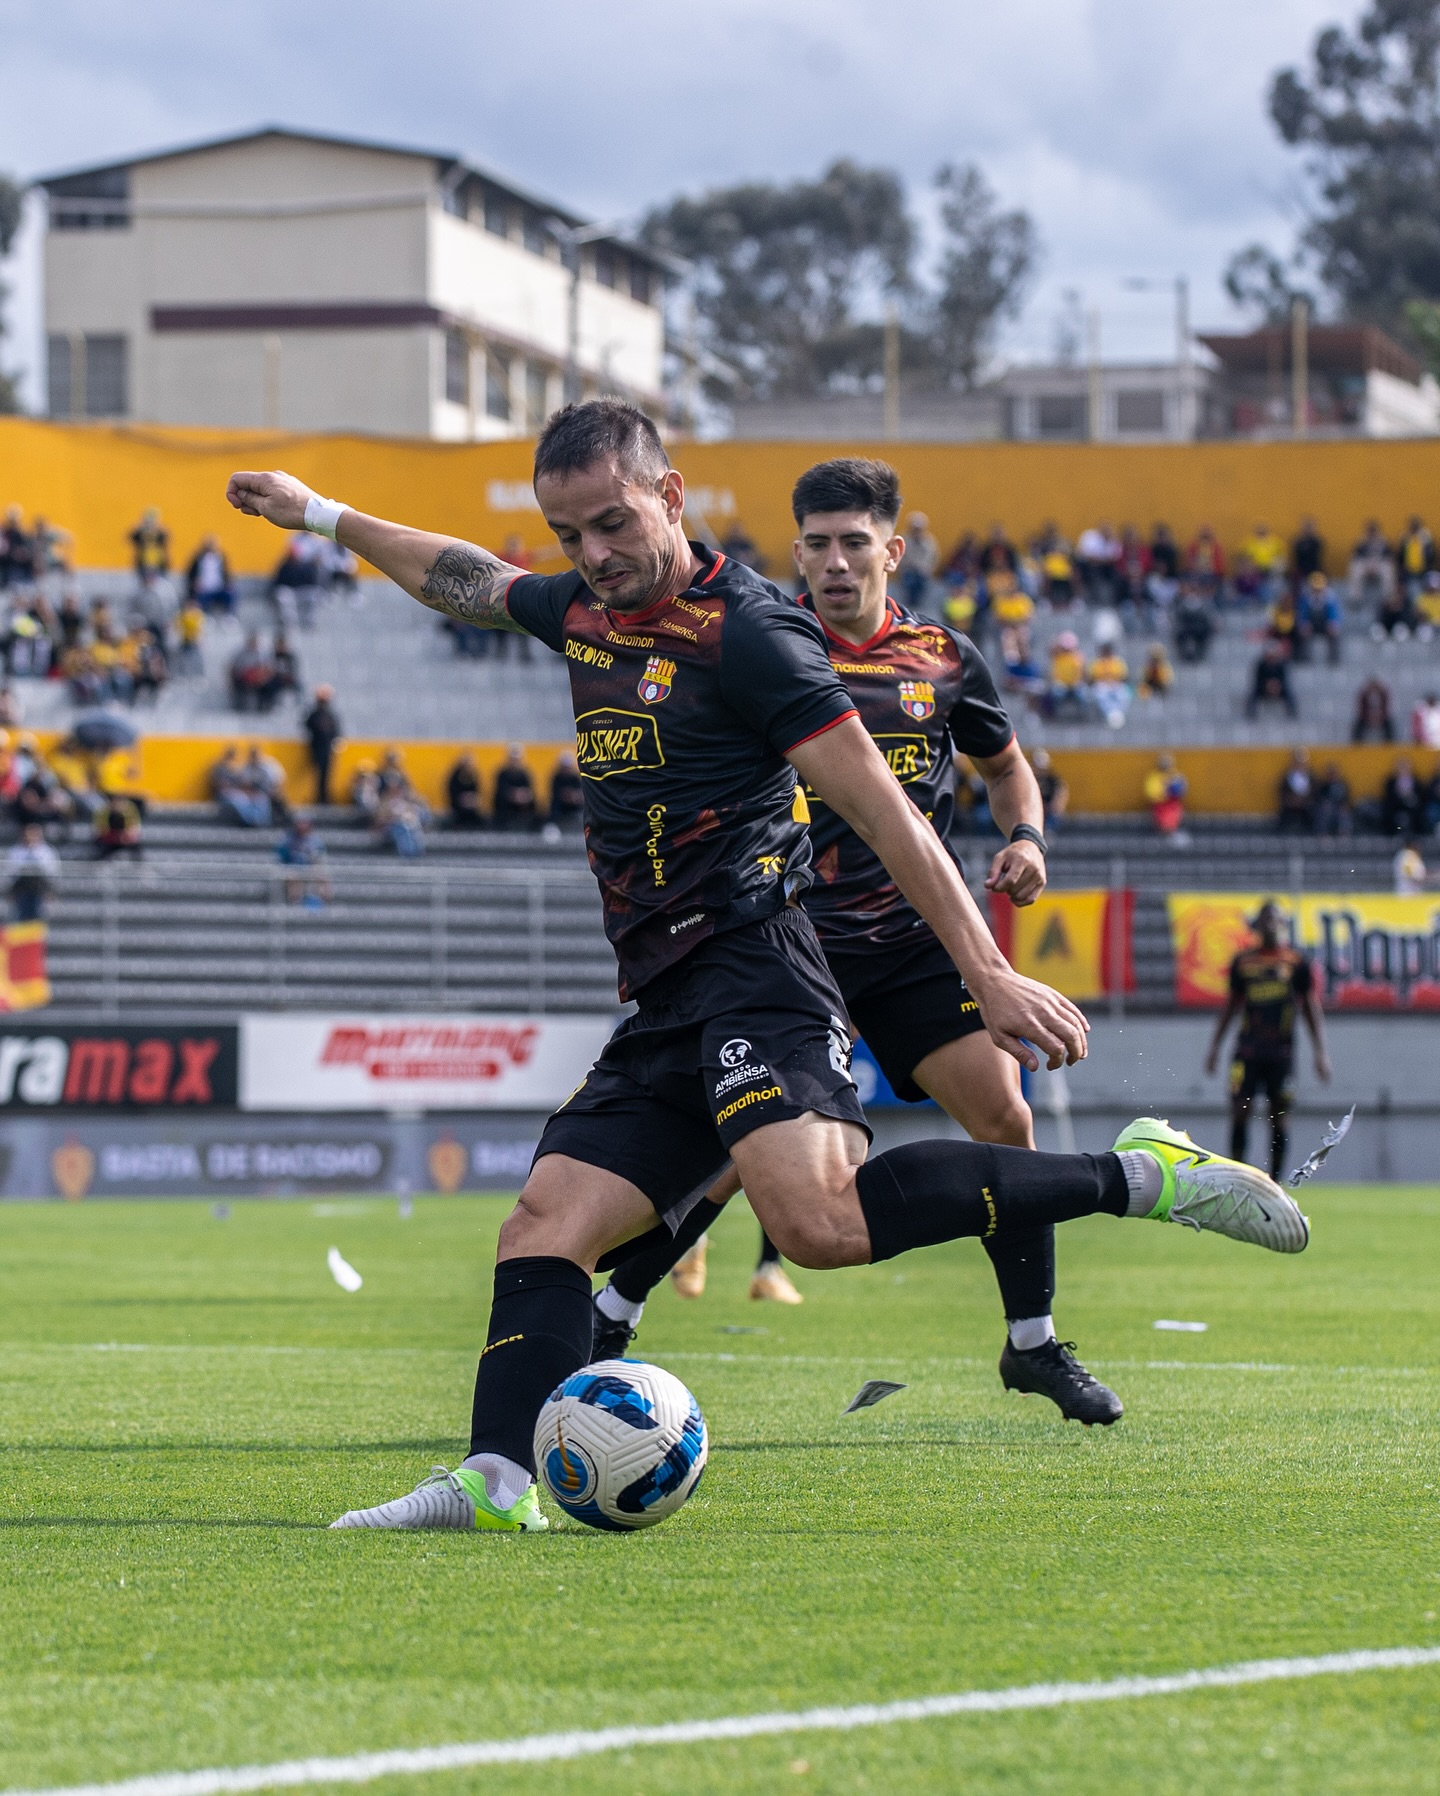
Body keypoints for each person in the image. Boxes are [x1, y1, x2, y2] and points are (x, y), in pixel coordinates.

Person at [226, 398, 1307, 1535]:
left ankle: (1139, 1175)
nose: (592, 554)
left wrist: (984, 966)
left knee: (818, 1225)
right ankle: (497, 1484)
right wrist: (322, 516)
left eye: (611, 521)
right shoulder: (592, 608)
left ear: (672, 495)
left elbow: (887, 808)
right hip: (665, 992)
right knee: (543, 1224)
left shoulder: (749, 631)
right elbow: (472, 581)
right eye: (569, 534)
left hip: (760, 963)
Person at [595, 456, 1122, 1422]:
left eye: (853, 543)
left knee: (1006, 1114)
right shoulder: (762, 644)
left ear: (893, 546)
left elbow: (1009, 770)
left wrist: (1028, 839)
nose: (835, 563)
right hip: (791, 940)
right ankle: (616, 1312)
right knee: (730, 1153)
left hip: (916, 941)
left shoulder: (944, 660)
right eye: (816, 545)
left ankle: (1033, 1346)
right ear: (794, 550)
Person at [1205, 901, 1329, 1182]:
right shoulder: (1244, 962)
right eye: (1266, 920)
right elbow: (1231, 1006)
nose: (1271, 924)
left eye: (1276, 919)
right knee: (1239, 1112)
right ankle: (1236, 1177)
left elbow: (1310, 1006)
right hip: (1246, 1052)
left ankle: (1274, 1182)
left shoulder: (1296, 962)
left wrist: (1320, 1052)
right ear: (1258, 926)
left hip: (1281, 1054)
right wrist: (1214, 1047)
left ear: (1284, 923)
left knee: (1280, 1116)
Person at [6, 823, 59, 921]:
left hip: (39, 888)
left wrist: (50, 890)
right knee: (21, 916)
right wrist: (11, 891)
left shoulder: (46, 851)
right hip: (21, 889)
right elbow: (11, 873)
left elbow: (51, 871)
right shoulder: (16, 851)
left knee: (38, 916)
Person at [276, 813, 331, 906]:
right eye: (300, 823)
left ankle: (325, 904)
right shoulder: (287, 840)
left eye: (305, 823)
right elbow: (281, 859)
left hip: (309, 868)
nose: (302, 826)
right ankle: (295, 904)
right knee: (294, 877)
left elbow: (320, 858)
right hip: (291, 868)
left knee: (323, 876)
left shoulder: (316, 841)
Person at [303, 685, 342, 803]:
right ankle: (319, 797)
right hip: (317, 748)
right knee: (318, 774)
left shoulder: (330, 715)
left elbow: (336, 730)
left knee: (327, 774)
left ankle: (325, 796)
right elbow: (308, 726)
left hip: (328, 748)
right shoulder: (314, 714)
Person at [1144, 752, 1189, 845]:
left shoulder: (1175, 776)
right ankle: (1165, 833)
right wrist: (1164, 792)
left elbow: (1182, 789)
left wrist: (1174, 792)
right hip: (1160, 805)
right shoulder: (1153, 777)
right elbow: (1151, 793)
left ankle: (1172, 833)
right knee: (1162, 813)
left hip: (1172, 803)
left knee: (1175, 810)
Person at [1246, 639, 1297, 719]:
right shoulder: (1260, 665)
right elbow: (1257, 680)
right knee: (1253, 694)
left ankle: (1292, 713)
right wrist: (1267, 685)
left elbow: (1284, 680)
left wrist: (1276, 686)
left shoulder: (1282, 665)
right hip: (1263, 687)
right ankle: (1251, 714)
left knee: (1288, 693)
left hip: (1279, 687)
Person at [491, 744, 538, 831]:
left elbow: (529, 790)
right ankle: (502, 827)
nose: (515, 762)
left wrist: (523, 796)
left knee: (534, 803)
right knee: (500, 801)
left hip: (521, 801)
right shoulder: (502, 773)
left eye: (517, 759)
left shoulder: (525, 774)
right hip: (506, 802)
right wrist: (513, 795)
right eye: (513, 759)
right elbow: (500, 791)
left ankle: (533, 829)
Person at [899, 511, 937, 614]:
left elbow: (932, 558)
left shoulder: (928, 541)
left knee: (922, 583)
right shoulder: (904, 540)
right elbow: (902, 557)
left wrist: (924, 568)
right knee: (910, 581)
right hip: (908, 570)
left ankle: (919, 607)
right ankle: (909, 607)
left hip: (922, 571)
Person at [185, 535, 234, 614]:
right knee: (199, 598)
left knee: (230, 594)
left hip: (219, 589)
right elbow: (190, 575)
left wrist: (228, 584)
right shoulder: (198, 558)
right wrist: (195, 583)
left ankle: (229, 616)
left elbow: (226, 574)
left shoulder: (221, 557)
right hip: (204, 589)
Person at [93, 792, 143, 861]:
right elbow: (99, 829)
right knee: (100, 850)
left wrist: (125, 836)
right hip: (108, 840)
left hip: (125, 839)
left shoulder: (130, 810)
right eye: (115, 802)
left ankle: (139, 865)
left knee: (136, 849)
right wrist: (114, 836)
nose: (117, 805)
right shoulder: (103, 811)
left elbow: (134, 828)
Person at [1382, 758, 1424, 836]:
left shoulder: (1416, 780)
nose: (1403, 769)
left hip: (1412, 805)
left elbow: (1421, 794)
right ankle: (1392, 833)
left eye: (1405, 766)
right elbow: (1388, 795)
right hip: (1396, 805)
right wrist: (1399, 794)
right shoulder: (1391, 781)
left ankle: (1416, 834)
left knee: (1418, 810)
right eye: (1401, 767)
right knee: (1389, 812)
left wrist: (1410, 795)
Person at [1277, 747, 1314, 833]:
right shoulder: (1287, 776)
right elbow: (1282, 790)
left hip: (1306, 804)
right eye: (1297, 762)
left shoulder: (1311, 777)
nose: (1299, 764)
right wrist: (1290, 800)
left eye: (1301, 762)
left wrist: (1304, 800)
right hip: (1290, 804)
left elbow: (1314, 791)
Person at [1030, 748, 1068, 829]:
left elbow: (1061, 793)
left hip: (1049, 813)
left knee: (1051, 820)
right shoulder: (1029, 779)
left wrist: (1052, 807)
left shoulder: (1053, 780)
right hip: (1033, 811)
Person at [547, 749, 584, 829]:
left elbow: (580, 796)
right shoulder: (556, 778)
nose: (566, 769)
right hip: (559, 808)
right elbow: (555, 794)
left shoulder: (576, 778)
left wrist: (573, 797)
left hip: (574, 808)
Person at [129, 508, 169, 582]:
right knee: (143, 583)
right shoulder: (140, 533)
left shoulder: (160, 532)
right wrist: (139, 527)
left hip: (158, 562)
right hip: (143, 562)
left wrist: (159, 529)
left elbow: (166, 539)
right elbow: (131, 537)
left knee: (159, 583)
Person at [1313, 763, 1353, 837]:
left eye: (1334, 773)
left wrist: (1343, 806)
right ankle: (1322, 833)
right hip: (1325, 809)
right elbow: (1318, 800)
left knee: (1344, 812)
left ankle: (1344, 834)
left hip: (1338, 809)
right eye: (1330, 774)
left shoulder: (1342, 786)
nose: (1332, 776)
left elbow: (1346, 800)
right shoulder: (1322, 786)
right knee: (1325, 809)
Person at [1351, 676, 1394, 743]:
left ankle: (1390, 745)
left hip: (1381, 717)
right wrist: (1368, 717)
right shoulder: (1364, 695)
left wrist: (1380, 716)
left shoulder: (1383, 695)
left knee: (1389, 725)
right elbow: (1362, 709)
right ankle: (1356, 746)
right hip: (1367, 717)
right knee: (1358, 725)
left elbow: (1386, 708)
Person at [447, 751, 484, 828]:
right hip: (458, 806)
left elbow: (477, 791)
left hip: (472, 806)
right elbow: (452, 792)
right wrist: (462, 799)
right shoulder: (455, 776)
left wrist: (472, 799)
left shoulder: (474, 776)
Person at [1291, 516, 1325, 586]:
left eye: (1309, 527)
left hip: (1314, 568)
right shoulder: (1298, 541)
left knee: (1320, 577)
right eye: (1306, 527)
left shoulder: (1317, 541)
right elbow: (1297, 555)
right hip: (1300, 568)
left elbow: (1316, 554)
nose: (1307, 530)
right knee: (1295, 576)